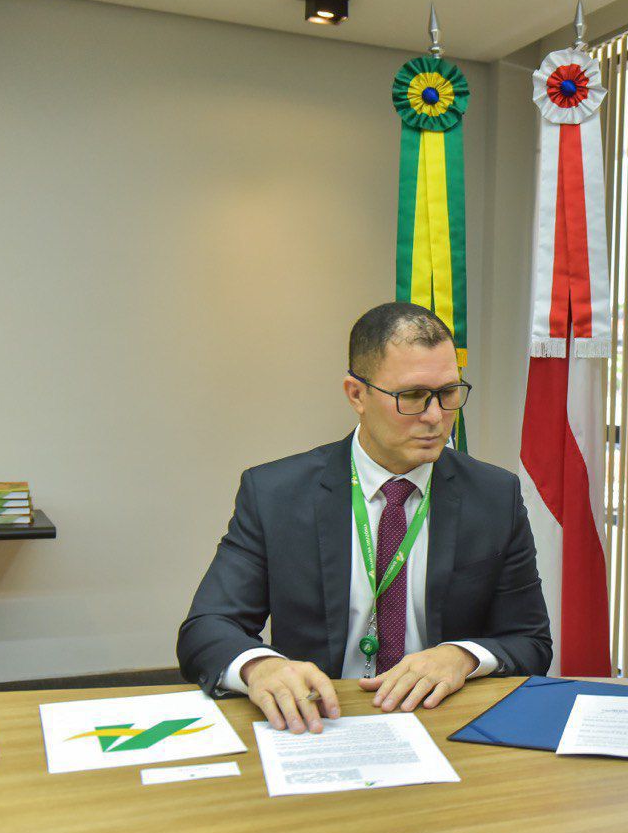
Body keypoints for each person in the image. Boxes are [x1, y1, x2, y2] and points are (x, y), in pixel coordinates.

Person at [178, 302, 551, 733]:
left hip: (443, 723)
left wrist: (462, 656)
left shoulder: (494, 496)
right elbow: (207, 627)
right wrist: (260, 667)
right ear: (356, 394)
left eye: (449, 393)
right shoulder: (276, 494)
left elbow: (530, 642)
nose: (435, 416)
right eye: (412, 396)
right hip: (319, 722)